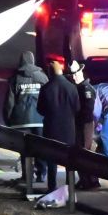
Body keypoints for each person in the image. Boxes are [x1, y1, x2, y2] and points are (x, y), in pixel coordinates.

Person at [2, 50, 49, 190]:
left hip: (20, 120)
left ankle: (27, 175)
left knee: (25, 149)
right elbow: (48, 97)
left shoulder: (15, 79)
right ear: (33, 60)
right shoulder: (42, 77)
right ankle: (42, 173)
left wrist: (8, 119)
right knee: (41, 147)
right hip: (39, 119)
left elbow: (9, 102)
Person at [36, 57, 80, 196]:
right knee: (68, 159)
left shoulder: (46, 88)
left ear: (50, 73)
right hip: (68, 129)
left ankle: (52, 186)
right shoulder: (72, 87)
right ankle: (69, 187)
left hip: (51, 128)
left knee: (51, 159)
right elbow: (77, 108)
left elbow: (40, 109)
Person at [69, 60, 101, 189]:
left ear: (81, 72)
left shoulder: (86, 89)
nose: (74, 76)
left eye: (76, 73)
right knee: (81, 151)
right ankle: (86, 180)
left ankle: (90, 181)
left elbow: (88, 110)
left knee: (84, 152)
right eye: (72, 74)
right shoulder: (79, 88)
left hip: (85, 124)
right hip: (82, 123)